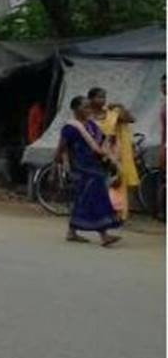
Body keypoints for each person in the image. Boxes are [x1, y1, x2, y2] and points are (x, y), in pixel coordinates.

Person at [55, 96, 122, 246]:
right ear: (76, 109)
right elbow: (62, 146)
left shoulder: (91, 125)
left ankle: (72, 231)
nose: (88, 109)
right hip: (82, 168)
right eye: (84, 107)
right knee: (97, 198)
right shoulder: (71, 127)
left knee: (83, 199)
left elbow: (102, 141)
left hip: (95, 166)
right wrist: (56, 163)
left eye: (88, 107)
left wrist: (110, 150)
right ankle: (104, 235)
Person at [88, 87, 139, 220]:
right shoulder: (86, 115)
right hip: (94, 153)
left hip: (113, 153)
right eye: (99, 97)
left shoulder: (111, 113)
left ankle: (116, 212)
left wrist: (120, 106)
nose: (102, 100)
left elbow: (131, 119)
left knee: (115, 182)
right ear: (91, 99)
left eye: (104, 97)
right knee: (96, 183)